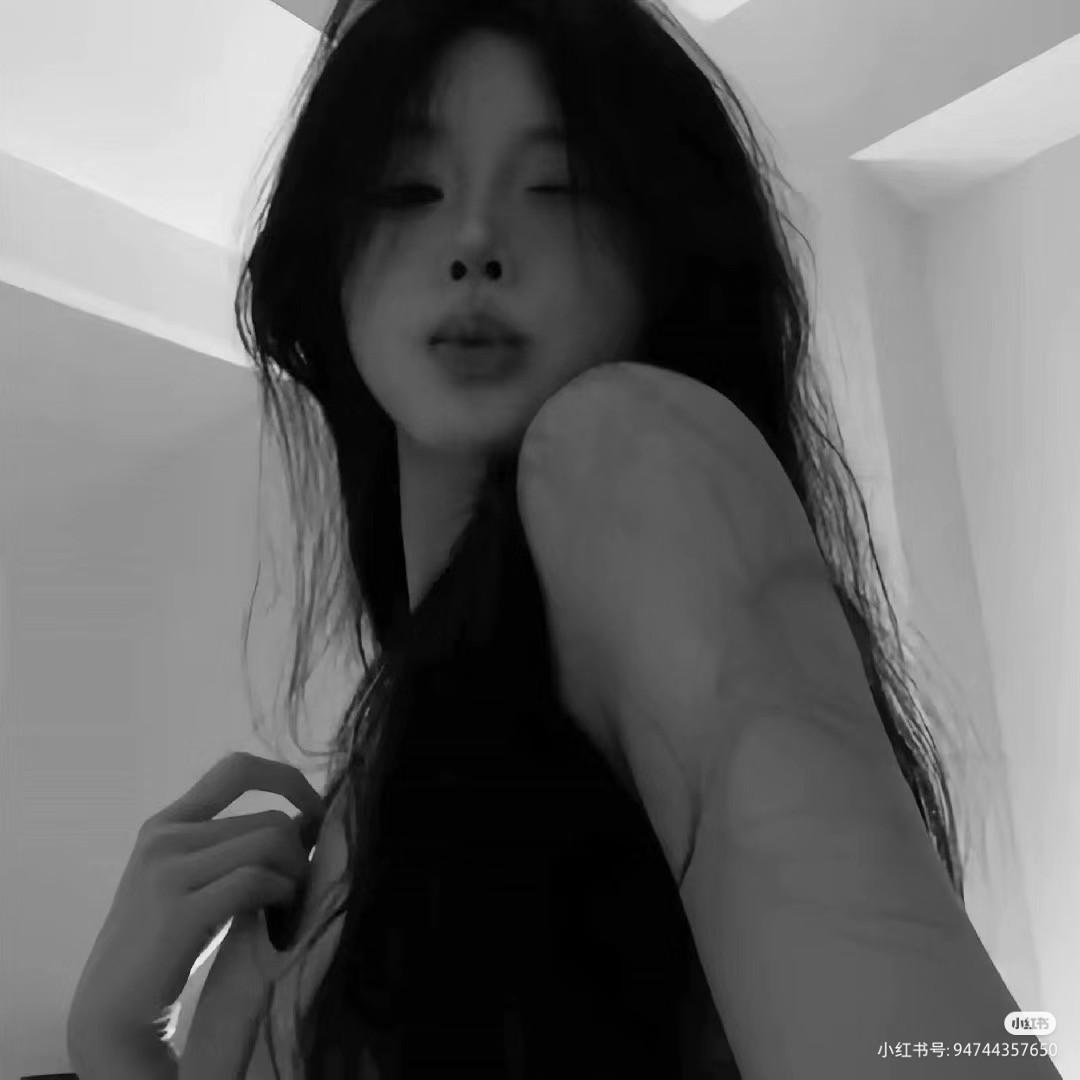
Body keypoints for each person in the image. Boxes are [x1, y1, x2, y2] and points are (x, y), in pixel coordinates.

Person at [68, 1, 1056, 1078]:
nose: (475, 243)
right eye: (407, 190)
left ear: (663, 248)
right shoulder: (372, 769)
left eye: (559, 188)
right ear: (331, 261)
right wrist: (119, 1043)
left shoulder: (630, 458)